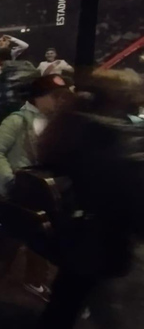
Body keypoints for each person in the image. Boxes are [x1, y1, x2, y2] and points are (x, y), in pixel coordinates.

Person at [37, 70, 144, 328]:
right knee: (110, 308)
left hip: (77, 232)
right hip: (107, 239)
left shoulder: (73, 126)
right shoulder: (116, 136)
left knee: (67, 302)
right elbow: (129, 195)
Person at [0, 74, 69, 300]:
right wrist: (8, 179)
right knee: (18, 232)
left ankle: (32, 277)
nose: (59, 101)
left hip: (41, 188)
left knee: (34, 234)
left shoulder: (56, 121)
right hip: (21, 187)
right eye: (55, 96)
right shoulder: (17, 120)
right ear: (39, 97)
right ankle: (3, 269)